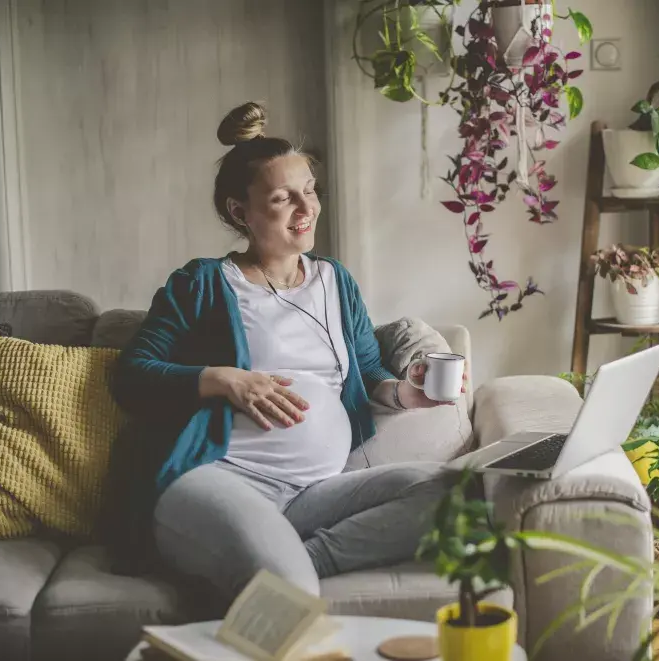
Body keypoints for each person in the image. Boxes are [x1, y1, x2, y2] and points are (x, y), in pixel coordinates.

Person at [111, 101, 464, 602]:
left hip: (309, 494)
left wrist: (406, 393)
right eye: (284, 198)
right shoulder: (203, 283)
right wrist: (225, 378)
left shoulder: (335, 280)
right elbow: (132, 375)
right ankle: (280, 572)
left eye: (310, 191)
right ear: (241, 212)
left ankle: (297, 561)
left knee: (460, 491)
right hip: (217, 479)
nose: (307, 209)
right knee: (290, 592)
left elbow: (365, 370)